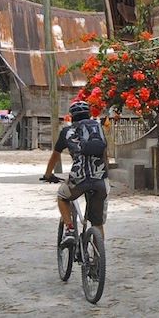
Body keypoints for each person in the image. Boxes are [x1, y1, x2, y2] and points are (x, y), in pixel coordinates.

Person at [44, 101, 108, 246]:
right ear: (89, 114)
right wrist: (105, 176)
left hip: (78, 179)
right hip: (100, 179)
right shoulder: (98, 129)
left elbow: (55, 156)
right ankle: (97, 260)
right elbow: (105, 155)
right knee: (97, 223)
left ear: (71, 116)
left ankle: (70, 229)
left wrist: (48, 175)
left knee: (62, 197)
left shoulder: (67, 132)